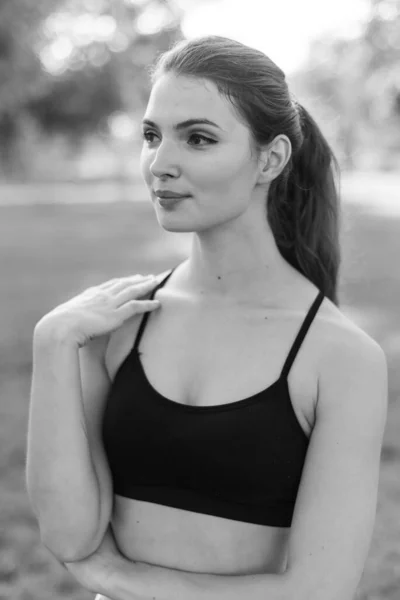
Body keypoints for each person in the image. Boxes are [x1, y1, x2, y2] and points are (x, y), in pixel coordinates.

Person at [26, 35, 388, 600]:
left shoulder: (341, 358)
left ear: (270, 159)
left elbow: (320, 589)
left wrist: (127, 582)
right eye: (152, 136)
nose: (160, 164)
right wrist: (52, 341)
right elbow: (70, 535)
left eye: (197, 138)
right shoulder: (117, 324)